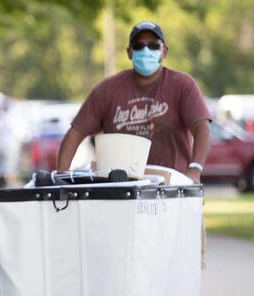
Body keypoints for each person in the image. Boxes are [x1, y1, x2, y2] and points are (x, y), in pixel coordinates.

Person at [57, 21, 211, 183]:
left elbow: (202, 128)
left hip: (171, 187)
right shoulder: (107, 90)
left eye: (153, 45)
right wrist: (60, 179)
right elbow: (75, 134)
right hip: (121, 188)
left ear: (164, 51)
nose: (146, 50)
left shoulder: (182, 85)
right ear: (129, 52)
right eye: (139, 45)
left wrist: (195, 169)